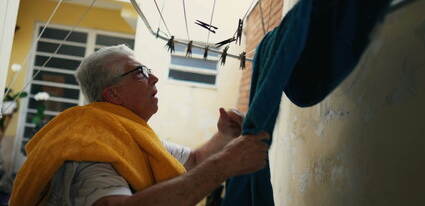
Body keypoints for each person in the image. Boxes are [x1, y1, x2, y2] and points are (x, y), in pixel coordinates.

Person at [10, 44, 270, 206]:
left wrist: (224, 135)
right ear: (113, 95)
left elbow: (194, 160)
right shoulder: (90, 143)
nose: (154, 77)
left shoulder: (127, 135)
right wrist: (223, 167)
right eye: (140, 73)